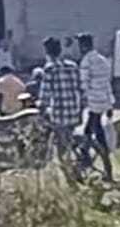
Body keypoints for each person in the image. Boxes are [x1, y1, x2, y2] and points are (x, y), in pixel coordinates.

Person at [37, 35, 83, 169]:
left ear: (47, 52)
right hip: (74, 110)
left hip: (59, 114)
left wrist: (40, 106)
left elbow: (44, 95)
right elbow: (80, 87)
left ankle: (68, 171)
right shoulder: (73, 66)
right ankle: (74, 163)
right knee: (68, 138)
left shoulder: (50, 68)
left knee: (61, 145)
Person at [77, 32, 114, 182]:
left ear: (84, 46)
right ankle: (106, 168)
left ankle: (86, 160)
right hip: (103, 101)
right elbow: (107, 84)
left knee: (90, 133)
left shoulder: (86, 61)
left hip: (93, 102)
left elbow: (84, 85)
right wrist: (110, 104)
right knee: (96, 132)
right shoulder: (103, 60)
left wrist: (81, 102)